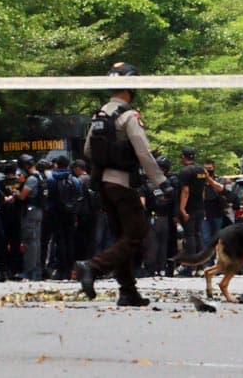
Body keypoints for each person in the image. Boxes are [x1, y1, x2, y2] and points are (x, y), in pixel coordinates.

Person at [74, 62, 173, 307]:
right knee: (137, 233)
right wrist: (161, 182)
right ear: (131, 85)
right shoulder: (128, 115)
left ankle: (128, 292)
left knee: (122, 237)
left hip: (104, 185)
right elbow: (144, 152)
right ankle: (92, 268)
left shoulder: (100, 115)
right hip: (123, 183)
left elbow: (87, 150)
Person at [46, 155, 82, 280]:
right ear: (67, 165)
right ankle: (70, 268)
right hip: (70, 214)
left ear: (57, 164)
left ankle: (61, 268)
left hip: (56, 214)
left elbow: (48, 197)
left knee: (59, 240)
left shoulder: (51, 178)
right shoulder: (75, 180)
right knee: (70, 240)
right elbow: (79, 197)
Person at [15, 154, 47, 281]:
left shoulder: (31, 179)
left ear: (26, 166)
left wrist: (16, 192)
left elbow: (22, 196)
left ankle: (29, 271)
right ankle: (37, 271)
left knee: (29, 241)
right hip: (39, 211)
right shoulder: (40, 176)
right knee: (36, 240)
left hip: (31, 212)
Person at [177, 147, 206, 271]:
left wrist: (182, 209)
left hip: (189, 208)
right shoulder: (202, 170)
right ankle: (200, 265)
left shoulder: (184, 172)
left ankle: (190, 266)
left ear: (183, 157)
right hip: (200, 207)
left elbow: (185, 191)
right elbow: (203, 190)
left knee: (189, 236)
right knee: (198, 235)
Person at [201, 159, 226, 252]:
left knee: (217, 238)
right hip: (205, 213)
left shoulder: (220, 179)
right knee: (206, 239)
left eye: (210, 168)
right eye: (206, 169)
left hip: (217, 212)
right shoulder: (201, 181)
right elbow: (200, 197)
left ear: (214, 168)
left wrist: (208, 179)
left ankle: (218, 260)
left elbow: (220, 189)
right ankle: (207, 263)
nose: (208, 170)